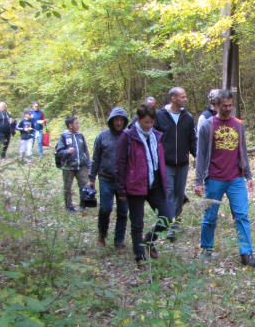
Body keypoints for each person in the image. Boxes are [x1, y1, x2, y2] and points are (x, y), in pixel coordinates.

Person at [194, 89, 255, 267]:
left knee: (242, 215)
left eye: (231, 105)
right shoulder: (208, 125)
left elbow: (243, 151)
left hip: (235, 178)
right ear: (216, 105)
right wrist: (198, 181)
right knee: (210, 216)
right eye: (224, 106)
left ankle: (246, 253)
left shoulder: (238, 124)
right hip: (214, 178)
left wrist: (248, 175)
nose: (228, 109)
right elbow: (201, 155)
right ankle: (206, 250)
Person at [116, 103, 173, 263]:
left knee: (167, 218)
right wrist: (121, 189)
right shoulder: (128, 136)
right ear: (138, 120)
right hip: (136, 185)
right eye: (146, 122)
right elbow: (120, 163)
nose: (149, 125)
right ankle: (139, 257)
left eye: (151, 122)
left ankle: (149, 240)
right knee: (137, 223)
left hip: (155, 184)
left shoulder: (156, 136)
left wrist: (164, 183)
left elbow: (160, 161)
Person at [155, 87, 197, 235]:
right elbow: (154, 139)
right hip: (166, 162)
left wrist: (195, 155)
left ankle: (176, 223)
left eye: (185, 97)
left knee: (179, 194)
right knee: (169, 192)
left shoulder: (188, 117)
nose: (185, 99)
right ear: (173, 98)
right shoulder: (159, 116)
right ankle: (168, 225)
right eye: (182, 97)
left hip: (183, 163)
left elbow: (193, 139)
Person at [89, 107, 130, 250]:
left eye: (121, 120)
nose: (118, 123)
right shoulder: (102, 136)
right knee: (105, 209)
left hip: (123, 181)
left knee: (123, 211)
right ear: (111, 121)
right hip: (106, 179)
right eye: (116, 120)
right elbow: (96, 159)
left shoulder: (128, 136)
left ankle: (119, 240)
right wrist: (92, 178)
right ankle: (102, 234)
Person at [56, 115, 90, 213]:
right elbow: (59, 152)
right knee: (67, 187)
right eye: (76, 123)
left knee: (84, 185)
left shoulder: (80, 135)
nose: (78, 125)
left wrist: (88, 164)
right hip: (68, 167)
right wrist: (67, 152)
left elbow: (85, 151)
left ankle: (83, 204)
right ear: (70, 125)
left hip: (81, 166)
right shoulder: (64, 136)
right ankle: (69, 206)